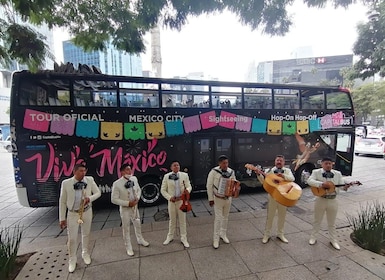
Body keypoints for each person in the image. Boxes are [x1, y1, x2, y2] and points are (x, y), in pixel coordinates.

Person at [59, 163, 101, 273]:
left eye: (84, 171)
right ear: (74, 172)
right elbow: (62, 201)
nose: (83, 173)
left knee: (86, 234)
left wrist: (89, 198)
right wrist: (62, 218)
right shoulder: (66, 183)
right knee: (72, 238)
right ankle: (72, 259)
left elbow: (98, 193)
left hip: (87, 211)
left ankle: (85, 253)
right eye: (80, 171)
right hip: (73, 213)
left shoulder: (89, 180)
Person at [307, 157, 349, 250]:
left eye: (330, 163)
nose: (328, 165)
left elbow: (341, 186)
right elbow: (309, 181)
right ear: (322, 164)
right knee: (317, 220)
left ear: (332, 164)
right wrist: (321, 184)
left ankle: (333, 240)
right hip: (320, 199)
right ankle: (313, 237)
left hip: (333, 200)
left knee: (332, 222)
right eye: (326, 163)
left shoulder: (337, 174)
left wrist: (345, 187)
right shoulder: (316, 172)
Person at [111, 164, 149, 256]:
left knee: (137, 223)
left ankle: (140, 239)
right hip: (125, 209)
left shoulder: (134, 179)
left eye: (130, 169)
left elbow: (139, 190)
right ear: (122, 172)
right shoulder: (117, 184)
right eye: (127, 170)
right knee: (126, 228)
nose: (129, 171)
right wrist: (127, 203)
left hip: (135, 207)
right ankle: (128, 246)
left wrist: (137, 198)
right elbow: (113, 199)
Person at [255, 155, 295, 244]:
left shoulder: (287, 171)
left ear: (284, 162)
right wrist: (259, 174)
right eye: (277, 160)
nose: (279, 162)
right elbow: (263, 182)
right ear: (275, 162)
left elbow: (292, 179)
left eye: (281, 160)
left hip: (284, 197)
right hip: (273, 196)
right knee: (270, 216)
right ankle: (267, 234)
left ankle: (280, 234)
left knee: (282, 216)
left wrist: (283, 176)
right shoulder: (269, 171)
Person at [161, 160, 192, 248]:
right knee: (172, 220)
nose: (176, 167)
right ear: (171, 168)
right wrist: (169, 197)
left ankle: (184, 238)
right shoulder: (167, 176)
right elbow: (163, 190)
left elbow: (189, 186)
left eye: (178, 165)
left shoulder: (184, 175)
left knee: (182, 220)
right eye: (174, 165)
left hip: (181, 201)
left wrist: (187, 191)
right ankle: (170, 236)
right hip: (172, 202)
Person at [206, 155, 236, 249]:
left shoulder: (231, 172)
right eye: (224, 163)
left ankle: (223, 234)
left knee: (225, 217)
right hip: (218, 198)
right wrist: (210, 198)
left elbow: (234, 182)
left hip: (228, 199)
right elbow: (209, 185)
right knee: (218, 219)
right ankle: (215, 239)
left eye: (227, 163)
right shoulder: (214, 172)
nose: (226, 165)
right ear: (219, 163)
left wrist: (234, 189)